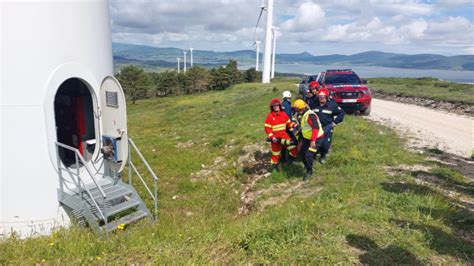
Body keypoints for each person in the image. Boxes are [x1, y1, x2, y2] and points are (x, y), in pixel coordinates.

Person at [292, 99, 324, 180]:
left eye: (299, 110)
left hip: (316, 138)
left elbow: (315, 128)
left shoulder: (310, 115)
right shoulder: (303, 114)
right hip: (307, 138)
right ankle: (307, 166)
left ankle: (309, 171)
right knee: (302, 154)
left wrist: (313, 140)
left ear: (303, 108)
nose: (298, 112)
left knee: (308, 155)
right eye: (297, 110)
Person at [264, 98, 298, 172]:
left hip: (285, 137)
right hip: (275, 139)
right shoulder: (269, 117)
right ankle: (274, 168)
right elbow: (267, 129)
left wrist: (294, 125)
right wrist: (272, 137)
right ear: (272, 107)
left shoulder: (283, 114)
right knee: (275, 154)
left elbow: (289, 123)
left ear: (280, 106)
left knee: (293, 148)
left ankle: (290, 161)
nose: (276, 107)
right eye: (274, 106)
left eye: (277, 105)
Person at [313, 88, 345, 164]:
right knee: (315, 142)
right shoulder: (314, 104)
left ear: (327, 97)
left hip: (327, 127)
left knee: (325, 144)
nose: (320, 98)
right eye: (319, 97)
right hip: (316, 127)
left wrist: (335, 122)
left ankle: (323, 155)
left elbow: (341, 113)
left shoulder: (332, 105)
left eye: (322, 97)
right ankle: (314, 155)